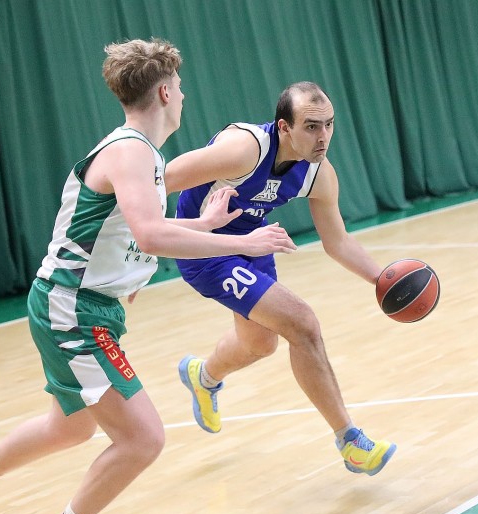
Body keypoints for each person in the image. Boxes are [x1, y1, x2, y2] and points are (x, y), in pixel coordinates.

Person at [0, 38, 295, 514]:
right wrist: (240, 243)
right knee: (143, 438)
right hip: (73, 309)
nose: (184, 96)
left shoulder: (142, 155)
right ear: (165, 92)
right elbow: (149, 234)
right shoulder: (132, 152)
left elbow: (132, 229)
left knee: (70, 426)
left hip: (78, 304)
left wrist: (207, 227)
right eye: (180, 87)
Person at [165, 81, 396, 477]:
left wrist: (381, 280)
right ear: (284, 127)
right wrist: (136, 248)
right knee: (302, 323)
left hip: (254, 242)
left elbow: (338, 242)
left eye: (329, 124)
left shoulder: (318, 173)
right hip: (204, 247)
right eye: (311, 126)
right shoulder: (244, 150)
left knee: (260, 344)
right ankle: (350, 441)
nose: (323, 136)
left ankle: (203, 376)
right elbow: (160, 180)